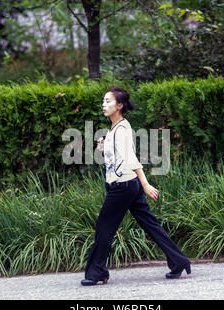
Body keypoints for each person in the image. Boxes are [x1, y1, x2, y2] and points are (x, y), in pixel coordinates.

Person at [81, 86, 191, 286]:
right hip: (126, 185)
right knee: (150, 225)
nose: (104, 105)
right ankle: (179, 261)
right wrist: (103, 148)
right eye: (103, 101)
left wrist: (146, 184)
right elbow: (112, 162)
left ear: (120, 105)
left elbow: (131, 159)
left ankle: (97, 273)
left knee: (104, 228)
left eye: (108, 101)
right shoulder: (113, 129)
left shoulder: (122, 129)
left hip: (123, 187)